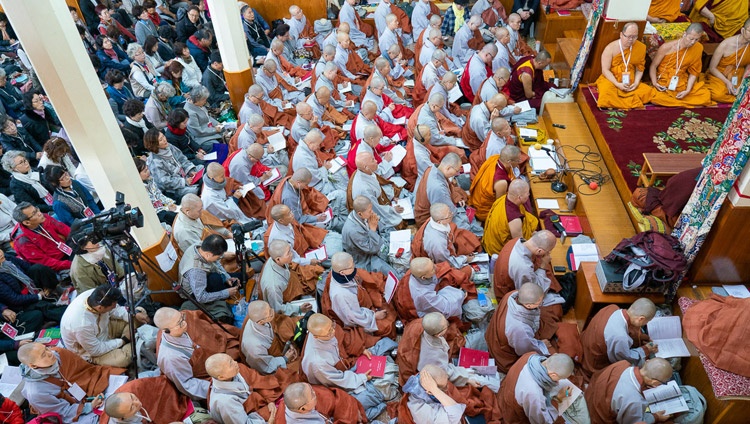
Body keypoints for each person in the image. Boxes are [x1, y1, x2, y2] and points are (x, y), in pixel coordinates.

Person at [301, 313, 386, 420]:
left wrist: (359, 349)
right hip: (331, 381)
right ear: (316, 337)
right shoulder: (317, 362)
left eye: (332, 326)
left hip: (342, 364)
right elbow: (337, 380)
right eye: (329, 332)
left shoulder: (324, 330)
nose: (333, 331)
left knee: (383, 345)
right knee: (370, 395)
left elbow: (342, 340)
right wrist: (362, 378)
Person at [18, 343, 120, 424]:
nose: (50, 353)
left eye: (46, 348)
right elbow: (62, 412)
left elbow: (85, 370)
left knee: (117, 381)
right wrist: (89, 406)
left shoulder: (59, 353)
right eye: (44, 355)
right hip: (72, 411)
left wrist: (93, 394)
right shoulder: (36, 392)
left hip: (87, 388)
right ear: (33, 366)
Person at [492, 231, 564, 340]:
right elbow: (530, 292)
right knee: (556, 310)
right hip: (507, 295)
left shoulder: (517, 241)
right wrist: (543, 266)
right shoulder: (523, 267)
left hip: (507, 276)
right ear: (539, 251)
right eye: (547, 252)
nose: (548, 255)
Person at [60, 285, 147, 367]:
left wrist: (134, 314)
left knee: (139, 312)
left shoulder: (95, 294)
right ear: (100, 308)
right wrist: (124, 340)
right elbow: (96, 350)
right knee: (123, 359)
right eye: (112, 306)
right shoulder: (81, 325)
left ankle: (133, 339)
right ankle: (135, 339)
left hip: (107, 329)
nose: (114, 307)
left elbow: (116, 310)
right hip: (91, 351)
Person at [580, 298, 658, 379]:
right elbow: (624, 359)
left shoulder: (612, 307)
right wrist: (646, 349)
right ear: (641, 319)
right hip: (592, 364)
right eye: (647, 321)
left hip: (585, 342)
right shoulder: (620, 337)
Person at [325, 251, 396, 338]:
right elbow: (353, 318)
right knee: (387, 325)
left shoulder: (339, 273)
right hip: (359, 318)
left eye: (353, 263)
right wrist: (374, 316)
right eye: (351, 266)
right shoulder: (341, 295)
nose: (355, 266)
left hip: (360, 298)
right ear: (342, 272)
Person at [486, 283, 552, 373]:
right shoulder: (520, 328)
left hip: (495, 333)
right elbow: (525, 350)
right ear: (528, 305)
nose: (541, 304)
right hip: (504, 355)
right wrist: (541, 346)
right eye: (540, 302)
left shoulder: (511, 295)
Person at [586, 358, 675, 423]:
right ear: (653, 381)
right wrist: (656, 417)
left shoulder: (622, 364)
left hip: (589, 396)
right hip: (596, 419)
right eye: (662, 383)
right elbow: (634, 423)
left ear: (646, 362)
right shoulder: (634, 400)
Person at [497, 352, 575, 424]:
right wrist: (558, 399)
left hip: (504, 392)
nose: (558, 382)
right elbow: (541, 421)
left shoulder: (530, 355)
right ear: (553, 375)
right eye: (560, 379)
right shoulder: (534, 393)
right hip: (512, 414)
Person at [178, 234, 239, 323]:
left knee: (236, 278)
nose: (219, 259)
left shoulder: (200, 246)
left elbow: (216, 262)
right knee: (216, 279)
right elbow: (201, 297)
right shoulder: (196, 271)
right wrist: (226, 293)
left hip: (203, 279)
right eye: (218, 257)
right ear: (208, 255)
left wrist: (226, 277)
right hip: (194, 294)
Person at [153, 307, 211, 401]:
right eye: (179, 323)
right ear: (165, 331)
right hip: (199, 378)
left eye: (182, 317)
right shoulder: (171, 358)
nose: (184, 323)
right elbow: (187, 385)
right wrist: (215, 389)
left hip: (203, 359)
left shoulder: (175, 328)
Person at [205, 353, 279, 424]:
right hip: (251, 417)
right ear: (221, 377)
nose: (236, 363)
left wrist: (269, 399)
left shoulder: (236, 370)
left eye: (232, 359)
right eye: (231, 364)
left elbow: (257, 379)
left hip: (258, 404)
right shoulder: (225, 402)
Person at [649, 24, 713, 107]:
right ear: (684, 34)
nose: (693, 42)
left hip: (681, 80)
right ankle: (679, 103)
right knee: (655, 98)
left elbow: (694, 72)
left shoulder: (698, 48)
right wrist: (654, 83)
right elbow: (653, 66)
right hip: (663, 81)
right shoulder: (667, 47)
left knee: (705, 95)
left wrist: (688, 90)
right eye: (691, 38)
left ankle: (675, 102)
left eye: (696, 39)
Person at [596, 22, 655, 109]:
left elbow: (640, 69)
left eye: (634, 37)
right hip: (612, 80)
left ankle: (622, 102)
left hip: (631, 81)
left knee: (649, 92)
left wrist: (636, 82)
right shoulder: (610, 48)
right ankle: (628, 103)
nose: (631, 39)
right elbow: (605, 70)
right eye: (628, 36)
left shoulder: (640, 47)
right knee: (606, 93)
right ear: (621, 35)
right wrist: (617, 84)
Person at [412, 203, 481, 274]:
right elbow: (445, 263)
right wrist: (465, 259)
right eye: (448, 216)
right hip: (440, 259)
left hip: (445, 244)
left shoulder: (433, 220)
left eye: (450, 212)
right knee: (468, 271)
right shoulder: (437, 242)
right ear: (439, 222)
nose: (452, 214)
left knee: (465, 236)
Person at [629, 167, 701, 233]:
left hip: (679, 219)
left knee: (639, 193)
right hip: (694, 217)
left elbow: (670, 202)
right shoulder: (703, 176)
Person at [258, 239, 316, 317]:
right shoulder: (273, 286)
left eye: (290, 251)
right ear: (278, 259)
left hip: (289, 284)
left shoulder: (276, 260)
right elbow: (277, 308)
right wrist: (299, 309)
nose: (292, 254)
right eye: (288, 253)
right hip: (282, 301)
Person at [342, 196, 396, 276]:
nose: (372, 212)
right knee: (388, 270)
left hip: (373, 243)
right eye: (370, 210)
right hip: (363, 257)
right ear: (359, 214)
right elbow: (371, 249)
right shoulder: (353, 230)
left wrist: (375, 226)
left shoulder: (362, 214)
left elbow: (379, 227)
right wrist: (373, 229)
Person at [240, 300, 298, 375]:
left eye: (271, 308)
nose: (273, 312)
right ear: (260, 322)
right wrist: (285, 359)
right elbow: (265, 366)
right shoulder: (254, 347)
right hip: (267, 361)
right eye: (270, 314)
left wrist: (289, 342)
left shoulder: (259, 315)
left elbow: (275, 324)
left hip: (276, 345)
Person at [414, 153, 470, 229]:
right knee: (466, 228)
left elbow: (448, 185)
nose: (456, 173)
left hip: (426, 206)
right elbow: (449, 214)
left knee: (459, 194)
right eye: (456, 171)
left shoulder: (432, 168)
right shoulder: (438, 188)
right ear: (448, 168)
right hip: (426, 220)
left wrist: (455, 196)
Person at [349, 151, 403, 229]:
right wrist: (392, 209)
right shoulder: (364, 189)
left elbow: (377, 187)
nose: (376, 161)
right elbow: (375, 209)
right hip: (371, 208)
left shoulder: (364, 171)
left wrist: (390, 196)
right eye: (373, 160)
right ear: (366, 167)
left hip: (378, 199)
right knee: (398, 221)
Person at [10, 202, 71, 271]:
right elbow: (45, 262)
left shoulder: (43, 218)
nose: (39, 213)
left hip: (66, 250)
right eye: (34, 213)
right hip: (56, 265)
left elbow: (65, 230)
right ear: (27, 222)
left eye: (37, 209)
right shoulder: (23, 241)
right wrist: (70, 264)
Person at [482, 179, 538, 255]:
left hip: (489, 241)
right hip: (498, 251)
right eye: (527, 193)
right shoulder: (515, 220)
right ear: (519, 197)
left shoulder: (502, 199)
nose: (528, 195)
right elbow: (520, 244)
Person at [470, 143, 522, 221]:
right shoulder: (501, 182)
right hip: (484, 210)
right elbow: (500, 205)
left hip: (477, 198)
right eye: (518, 160)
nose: (519, 162)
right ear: (509, 161)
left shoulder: (494, 158)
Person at [144, 127, 200, 199]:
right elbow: (165, 182)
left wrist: (190, 171)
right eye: (160, 140)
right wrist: (184, 182)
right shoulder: (155, 161)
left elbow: (182, 158)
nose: (164, 140)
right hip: (174, 188)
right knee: (194, 190)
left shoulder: (168, 146)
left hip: (184, 175)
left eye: (163, 136)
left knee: (202, 168)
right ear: (154, 144)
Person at [705, 18, 750, 104]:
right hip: (720, 75)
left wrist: (742, 84)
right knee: (718, 94)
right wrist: (727, 82)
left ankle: (740, 96)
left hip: (739, 75)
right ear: (743, 30)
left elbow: (748, 66)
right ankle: (739, 99)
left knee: (745, 91)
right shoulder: (725, 44)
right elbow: (712, 68)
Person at [291, 129, 349, 195]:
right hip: (314, 185)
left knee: (340, 173)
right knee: (338, 188)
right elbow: (313, 178)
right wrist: (324, 168)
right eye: (318, 145)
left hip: (317, 176)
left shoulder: (306, 148)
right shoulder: (303, 158)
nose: (318, 147)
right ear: (310, 143)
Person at [134, 157, 178, 225]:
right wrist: (167, 208)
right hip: (158, 214)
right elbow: (150, 210)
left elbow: (159, 195)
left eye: (147, 169)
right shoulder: (138, 190)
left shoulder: (150, 180)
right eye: (145, 171)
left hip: (163, 208)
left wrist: (170, 203)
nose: (148, 172)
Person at [183, 85, 222, 150]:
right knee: (218, 146)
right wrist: (214, 130)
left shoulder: (198, 104)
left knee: (228, 131)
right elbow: (197, 132)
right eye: (204, 100)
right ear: (198, 100)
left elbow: (208, 117)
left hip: (209, 128)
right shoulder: (190, 112)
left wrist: (217, 123)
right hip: (201, 137)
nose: (205, 102)